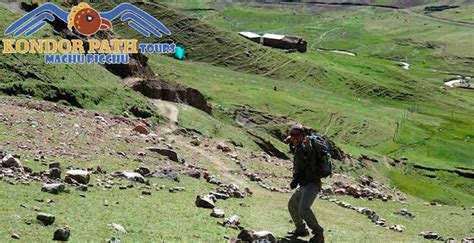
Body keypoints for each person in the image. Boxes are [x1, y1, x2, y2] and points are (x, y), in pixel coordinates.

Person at [284, 123, 325, 243]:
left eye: (297, 135)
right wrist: (291, 140)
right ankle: (301, 229)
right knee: (292, 204)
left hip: (312, 184)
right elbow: (294, 142)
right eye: (292, 135)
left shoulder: (306, 145)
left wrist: (306, 143)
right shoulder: (297, 145)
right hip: (302, 184)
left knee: (303, 209)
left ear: (303, 136)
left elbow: (307, 149)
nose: (294, 137)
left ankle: (319, 234)